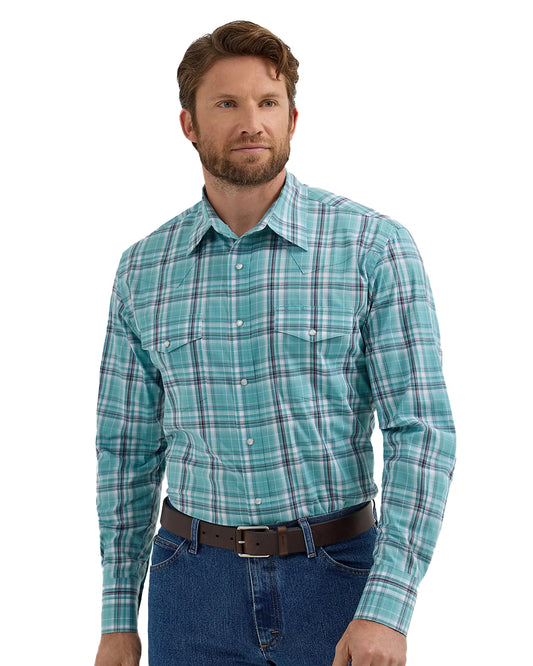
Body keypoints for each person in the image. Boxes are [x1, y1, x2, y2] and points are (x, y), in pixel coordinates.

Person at [94, 20, 456, 666]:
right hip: (190, 585)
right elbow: (126, 451)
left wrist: (387, 606)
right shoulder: (142, 270)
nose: (251, 123)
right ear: (188, 124)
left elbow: (420, 432)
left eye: (267, 102)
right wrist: (118, 615)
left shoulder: (372, 247)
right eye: (226, 104)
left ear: (292, 117)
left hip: (338, 579)